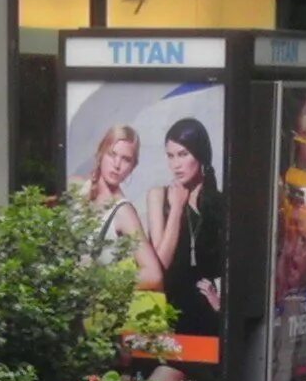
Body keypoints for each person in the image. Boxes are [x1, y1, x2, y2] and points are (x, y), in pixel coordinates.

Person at [144, 117, 226, 336]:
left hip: (206, 320)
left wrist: (220, 304)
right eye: (170, 156)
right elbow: (159, 266)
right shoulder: (158, 196)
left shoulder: (220, 204)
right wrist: (177, 208)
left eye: (183, 154)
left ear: (200, 155)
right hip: (167, 318)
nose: (175, 165)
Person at [73, 123, 163, 288]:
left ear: (132, 167)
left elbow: (153, 274)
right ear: (100, 153)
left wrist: (101, 279)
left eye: (126, 159)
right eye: (112, 154)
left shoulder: (123, 212)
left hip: (95, 307)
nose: (117, 164)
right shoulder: (76, 187)